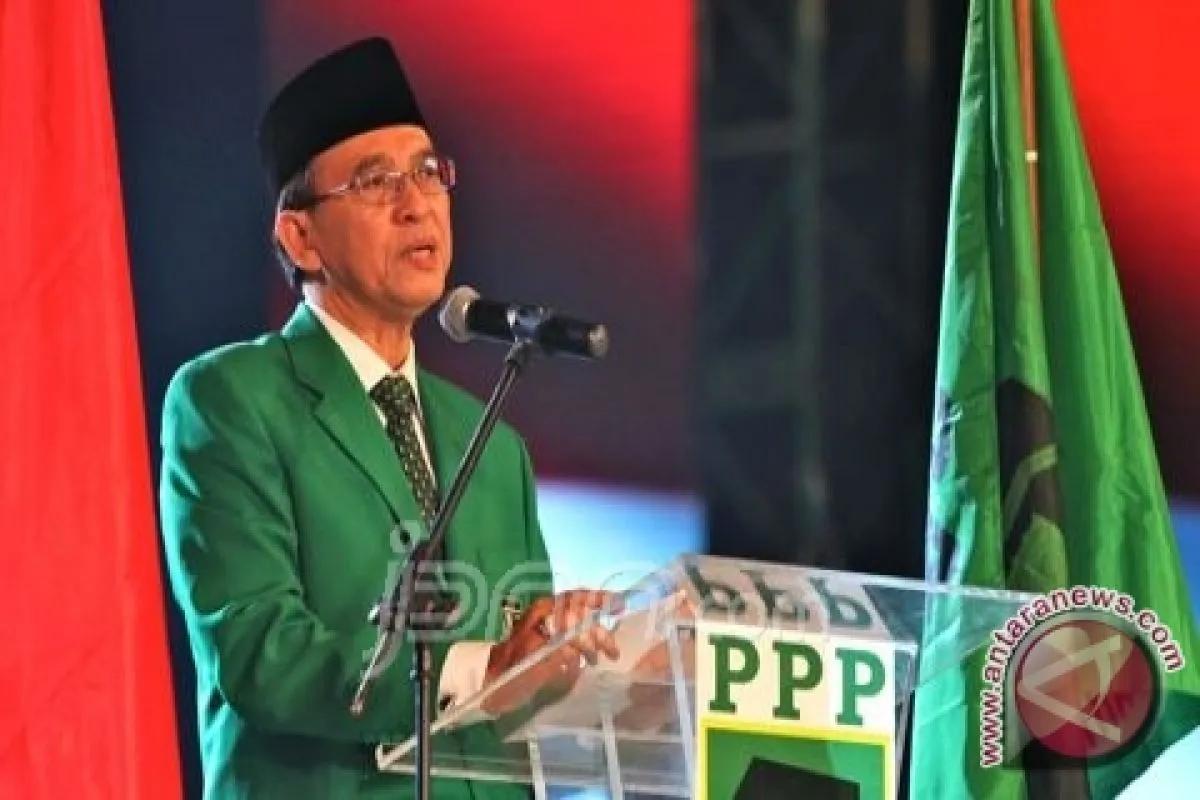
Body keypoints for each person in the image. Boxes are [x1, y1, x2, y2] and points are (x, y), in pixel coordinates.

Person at [158, 37, 618, 799]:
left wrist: (583, 659)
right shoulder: (232, 399)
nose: (416, 203)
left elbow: (521, 690)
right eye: (376, 181)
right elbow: (259, 652)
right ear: (301, 237)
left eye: (430, 173)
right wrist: (485, 667)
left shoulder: (492, 443)